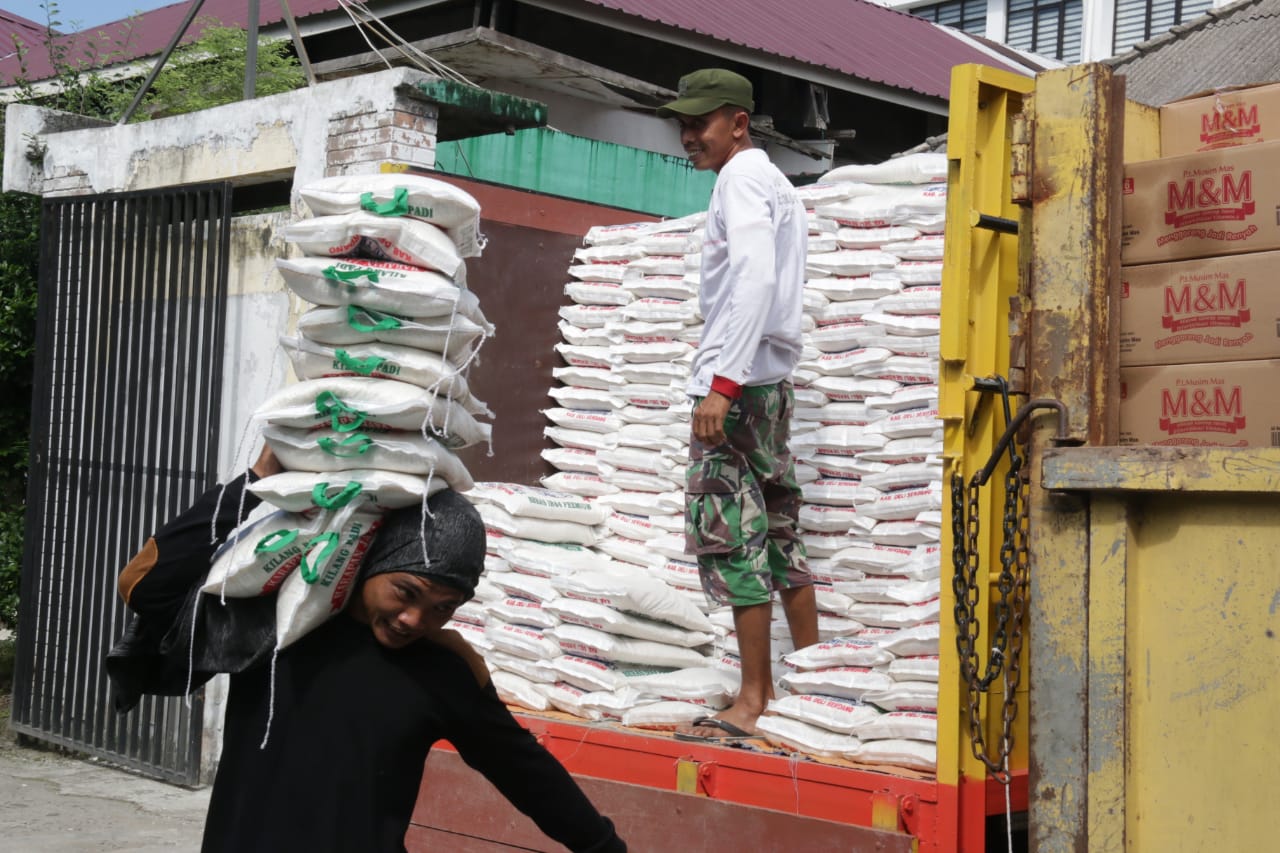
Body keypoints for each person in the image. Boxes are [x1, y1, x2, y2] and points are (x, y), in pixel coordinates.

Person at [107, 446, 626, 853]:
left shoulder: (442, 672)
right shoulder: (276, 624)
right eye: (406, 592)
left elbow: (526, 772)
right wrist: (257, 482)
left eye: (443, 608)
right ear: (373, 561)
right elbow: (148, 585)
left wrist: (605, 848)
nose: (414, 620)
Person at [656, 69, 819, 741]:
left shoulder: (740, 180)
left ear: (739, 123)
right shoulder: (777, 183)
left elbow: (754, 278)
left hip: (739, 386)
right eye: (684, 124)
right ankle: (814, 688)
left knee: (731, 536)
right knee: (779, 529)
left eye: (701, 123)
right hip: (770, 386)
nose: (689, 136)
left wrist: (722, 385)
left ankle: (753, 699)